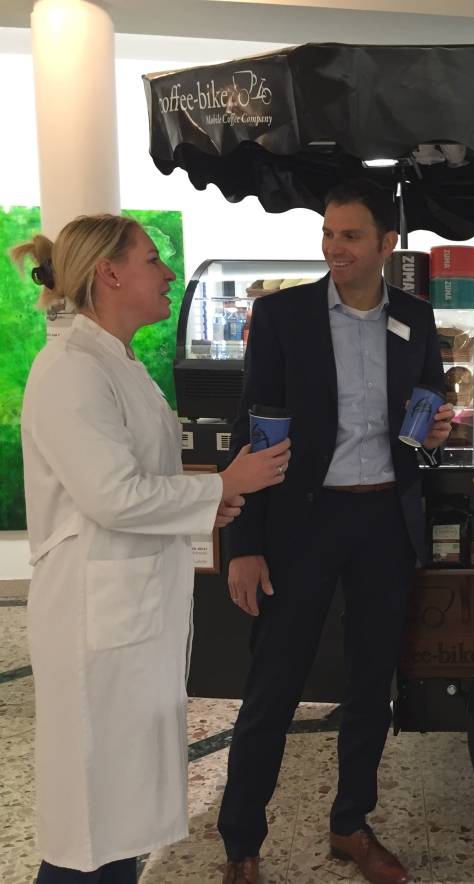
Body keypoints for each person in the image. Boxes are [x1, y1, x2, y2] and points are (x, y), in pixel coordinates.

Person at [13, 214, 291, 884]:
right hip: (95, 622)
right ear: (109, 274)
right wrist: (221, 484)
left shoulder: (119, 363)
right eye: (151, 257)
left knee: (120, 815)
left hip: (131, 616)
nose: (168, 272)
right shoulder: (71, 369)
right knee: (90, 823)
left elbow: (134, 483)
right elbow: (112, 496)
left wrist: (207, 499)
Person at [217, 180, 453, 884]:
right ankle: (241, 846)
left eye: (351, 235)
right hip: (301, 524)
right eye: (327, 233)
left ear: (387, 243)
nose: (334, 248)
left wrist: (433, 433)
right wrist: (244, 544)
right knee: (272, 687)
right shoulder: (283, 315)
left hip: (384, 520)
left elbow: (426, 412)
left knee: (370, 684)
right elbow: (251, 431)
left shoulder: (413, 315)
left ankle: (350, 824)